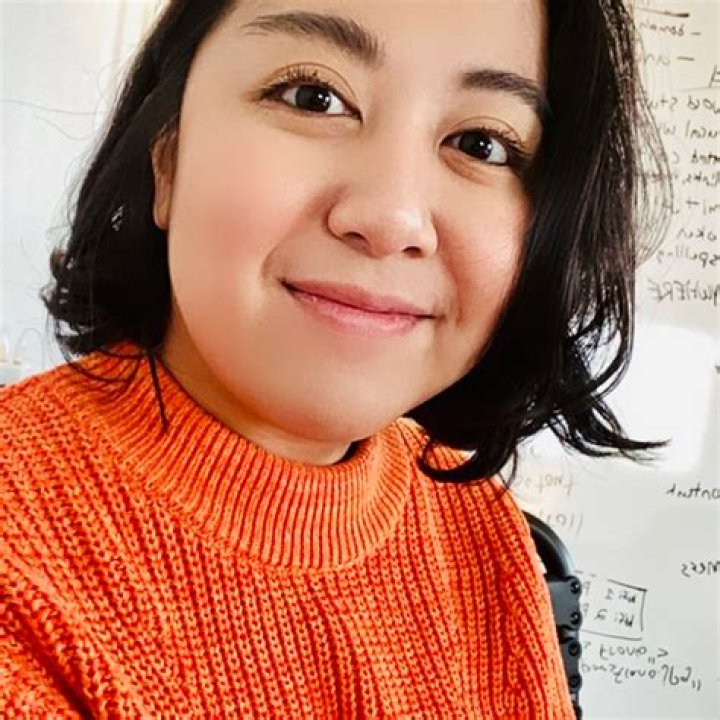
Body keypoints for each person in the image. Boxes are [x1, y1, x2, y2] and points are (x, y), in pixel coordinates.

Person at [1, 0, 666, 717]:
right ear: (166, 157)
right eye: (313, 97)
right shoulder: (22, 557)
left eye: (481, 144)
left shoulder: (479, 527)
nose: (391, 218)